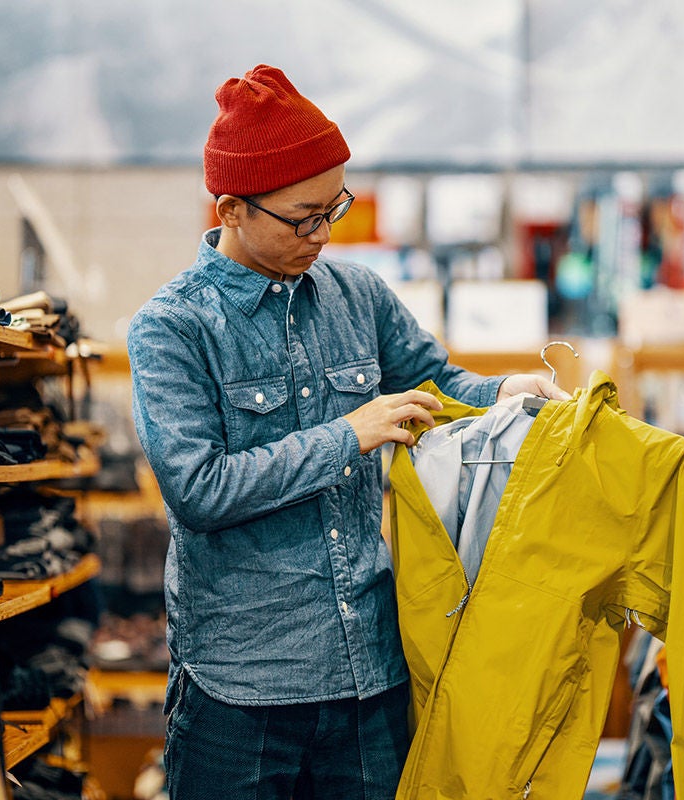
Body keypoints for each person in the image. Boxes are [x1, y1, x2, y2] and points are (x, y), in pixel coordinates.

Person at [127, 64, 569, 799]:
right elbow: (198, 489)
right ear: (232, 208)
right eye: (304, 217)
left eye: (334, 207)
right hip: (242, 687)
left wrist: (504, 391)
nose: (324, 234)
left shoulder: (356, 294)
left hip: (369, 676)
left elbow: (436, 383)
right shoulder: (173, 328)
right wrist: (347, 436)